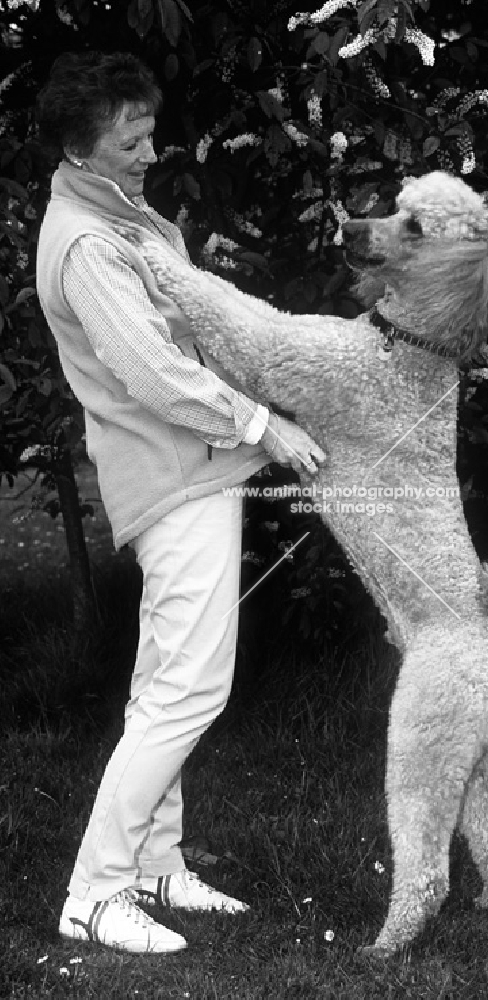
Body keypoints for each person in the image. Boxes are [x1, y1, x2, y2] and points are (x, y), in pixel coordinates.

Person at [35, 50, 325, 954]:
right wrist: (260, 425)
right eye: (132, 138)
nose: (150, 150)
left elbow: (193, 315)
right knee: (188, 693)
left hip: (191, 468)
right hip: (171, 475)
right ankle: (94, 892)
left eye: (148, 131)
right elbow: (154, 373)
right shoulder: (85, 242)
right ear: (84, 149)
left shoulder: (118, 216)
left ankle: (156, 867)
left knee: (166, 685)